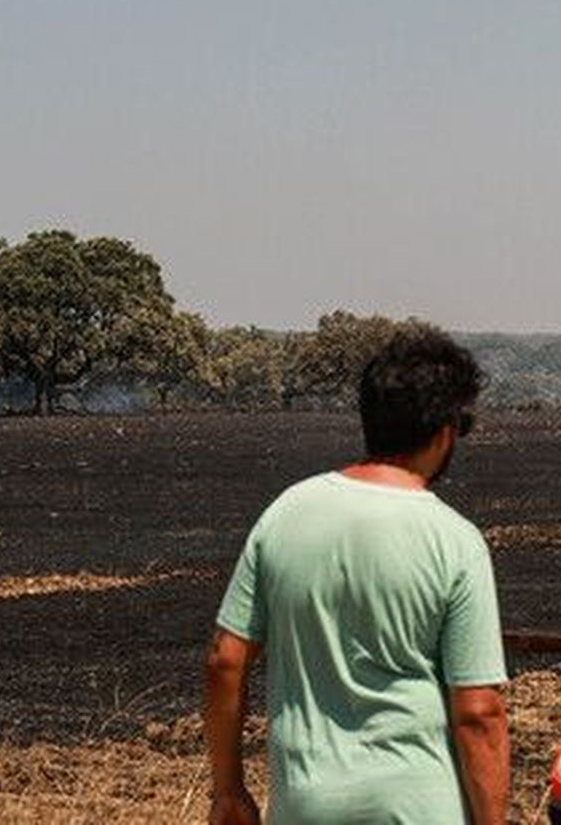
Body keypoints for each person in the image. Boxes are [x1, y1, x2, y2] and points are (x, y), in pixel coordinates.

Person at [204, 328, 509, 825]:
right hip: (419, 807)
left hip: (306, 805)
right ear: (446, 431)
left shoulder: (284, 515)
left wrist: (228, 789)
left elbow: (224, 661)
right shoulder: (456, 542)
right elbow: (478, 711)